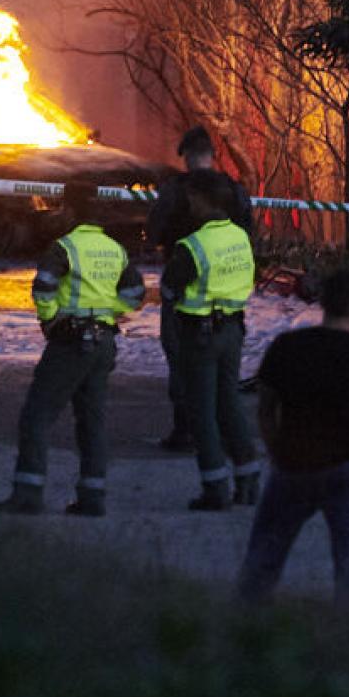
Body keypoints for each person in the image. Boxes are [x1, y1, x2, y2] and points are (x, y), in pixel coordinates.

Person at [236, 270, 349, 619]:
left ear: (322, 302)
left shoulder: (287, 348)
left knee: (264, 556)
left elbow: (266, 410)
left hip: (294, 463)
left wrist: (277, 451)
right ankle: (345, 643)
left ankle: (245, 628)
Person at [0, 180, 147, 517]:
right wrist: (107, 312)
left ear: (72, 212)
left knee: (36, 416)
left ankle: (27, 494)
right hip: (104, 343)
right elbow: (136, 294)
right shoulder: (114, 249)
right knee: (92, 421)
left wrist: (51, 321)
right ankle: (93, 498)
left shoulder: (63, 247)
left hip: (70, 341)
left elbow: (44, 287)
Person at [147, 125, 254, 453]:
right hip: (228, 298)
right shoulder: (235, 190)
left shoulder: (176, 190)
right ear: (212, 155)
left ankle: (187, 431)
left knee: (181, 360)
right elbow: (247, 232)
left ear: (188, 157)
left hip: (186, 293)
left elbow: (154, 231)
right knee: (225, 372)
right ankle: (226, 435)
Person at [160, 173, 260, 510]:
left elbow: (170, 289)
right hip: (233, 330)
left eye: (193, 199)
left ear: (205, 201)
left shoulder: (193, 245)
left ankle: (215, 488)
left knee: (201, 411)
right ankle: (248, 480)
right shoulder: (241, 237)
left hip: (199, 335)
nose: (190, 205)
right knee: (229, 403)